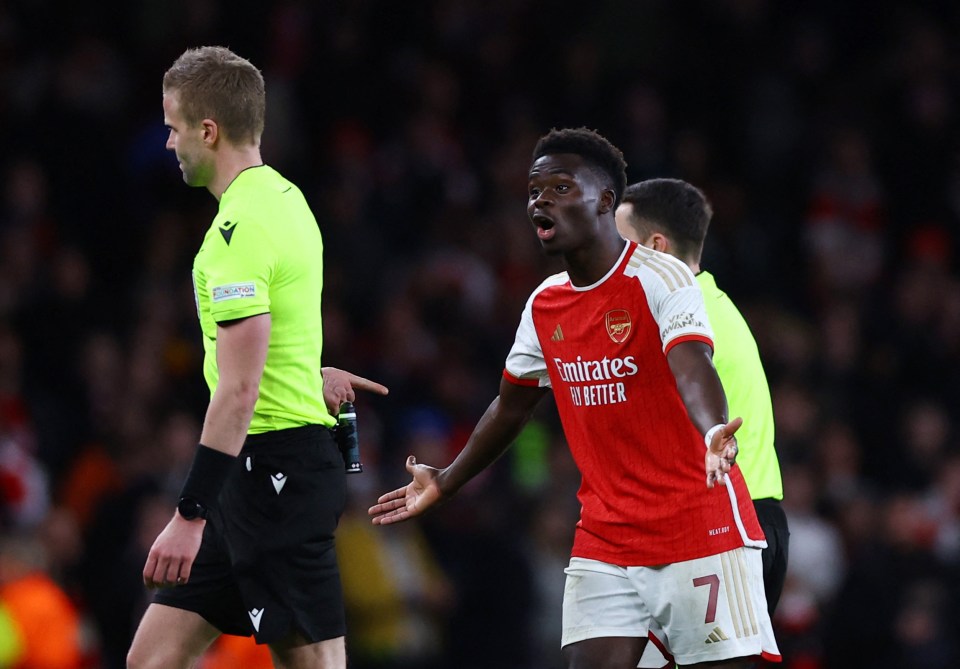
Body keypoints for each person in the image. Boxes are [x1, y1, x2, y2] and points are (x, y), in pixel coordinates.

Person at [370, 127, 780, 668]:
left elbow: (691, 365)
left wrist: (712, 429)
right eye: (535, 190)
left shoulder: (660, 277)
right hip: (605, 538)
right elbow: (510, 408)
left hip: (696, 527)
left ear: (605, 201)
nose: (541, 199)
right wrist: (447, 481)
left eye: (561, 187)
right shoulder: (545, 304)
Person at [127, 46, 387, 669]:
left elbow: (239, 390)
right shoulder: (289, 200)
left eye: (173, 127)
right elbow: (287, 331)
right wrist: (308, 373)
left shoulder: (235, 237)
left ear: (208, 131)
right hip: (248, 477)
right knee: (151, 659)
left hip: (277, 473)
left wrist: (188, 512)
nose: (169, 144)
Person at [615, 178, 789, 618]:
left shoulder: (686, 319)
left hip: (728, 525)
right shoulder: (713, 304)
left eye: (620, 246)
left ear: (657, 248)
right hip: (743, 522)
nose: (610, 260)